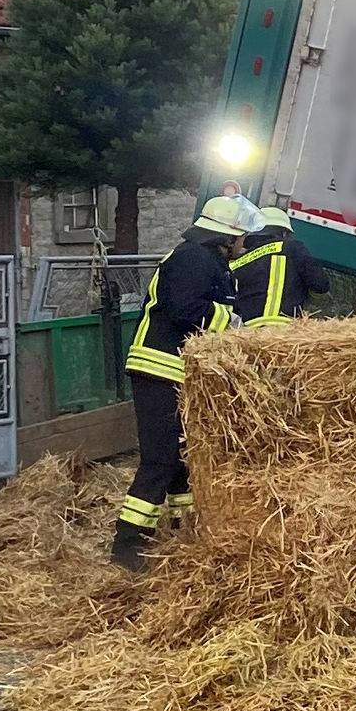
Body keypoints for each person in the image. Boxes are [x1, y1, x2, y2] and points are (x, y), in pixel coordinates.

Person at [110, 195, 263, 571]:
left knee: (182, 461)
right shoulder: (194, 258)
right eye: (241, 237)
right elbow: (184, 309)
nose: (243, 244)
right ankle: (129, 548)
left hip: (178, 375)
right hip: (160, 369)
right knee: (160, 461)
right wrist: (230, 321)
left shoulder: (208, 260)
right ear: (226, 237)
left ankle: (184, 532)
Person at [229, 207, 329, 326]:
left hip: (244, 331)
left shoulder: (235, 262)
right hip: (282, 329)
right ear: (284, 232)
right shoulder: (290, 247)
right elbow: (320, 284)